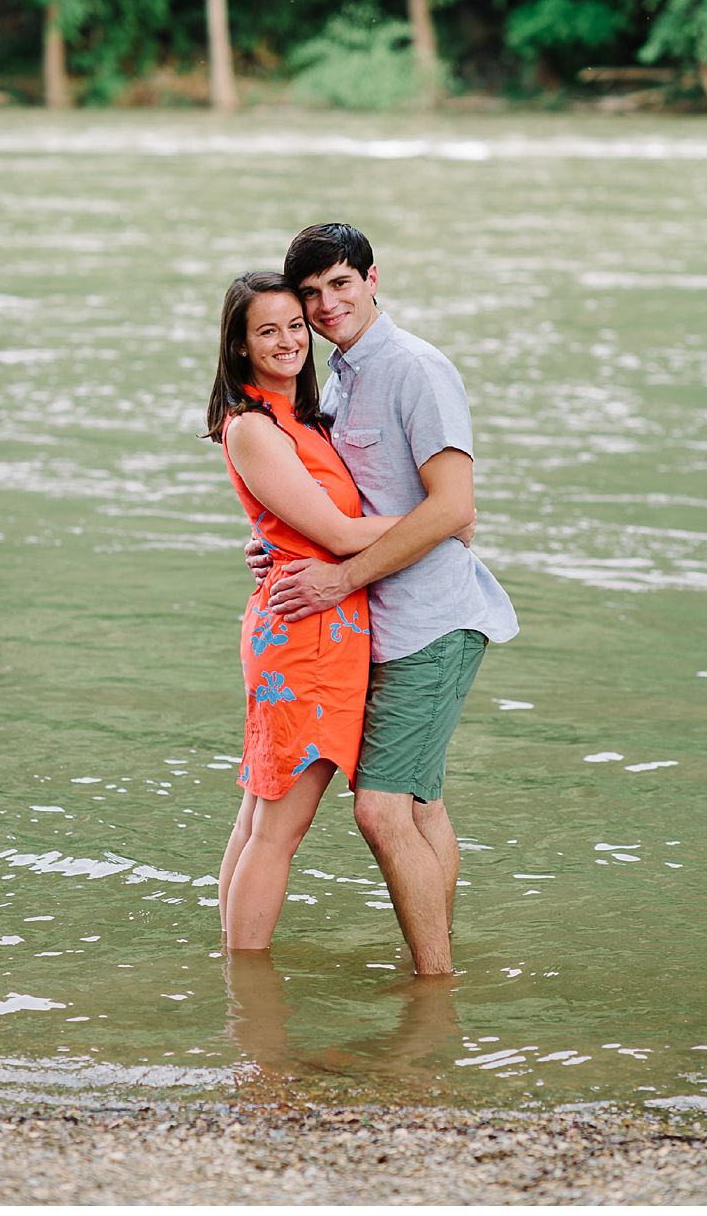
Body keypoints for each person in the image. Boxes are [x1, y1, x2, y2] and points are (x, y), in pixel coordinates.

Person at [255, 223, 518, 976]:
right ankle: (437, 965)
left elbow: (451, 507)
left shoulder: (417, 370)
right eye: (311, 294)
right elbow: (347, 507)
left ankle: (433, 988)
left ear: (373, 280)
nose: (327, 304)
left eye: (340, 283)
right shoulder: (339, 379)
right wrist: (287, 548)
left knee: (379, 809)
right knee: (422, 806)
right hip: (380, 624)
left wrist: (339, 578)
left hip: (432, 621)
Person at [206, 272, 404, 951]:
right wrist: (438, 520)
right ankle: (254, 1021)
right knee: (276, 831)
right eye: (268, 330)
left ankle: (237, 986)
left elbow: (295, 521)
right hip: (306, 635)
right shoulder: (255, 427)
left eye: (296, 325)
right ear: (239, 348)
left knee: (259, 821)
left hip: (310, 625)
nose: (290, 340)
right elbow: (342, 535)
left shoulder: (299, 421)